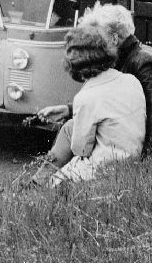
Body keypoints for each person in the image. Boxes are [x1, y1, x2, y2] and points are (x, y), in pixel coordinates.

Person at [24, 24, 145, 188]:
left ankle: (39, 185)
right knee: (69, 126)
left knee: (53, 184)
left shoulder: (86, 97)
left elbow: (81, 150)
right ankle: (37, 181)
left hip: (104, 169)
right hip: (131, 159)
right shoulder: (131, 80)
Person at [79, 3, 152, 155]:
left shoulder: (143, 63)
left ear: (114, 38)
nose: (95, 44)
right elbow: (104, 99)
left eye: (99, 39)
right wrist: (69, 109)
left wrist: (150, 159)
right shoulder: (128, 57)